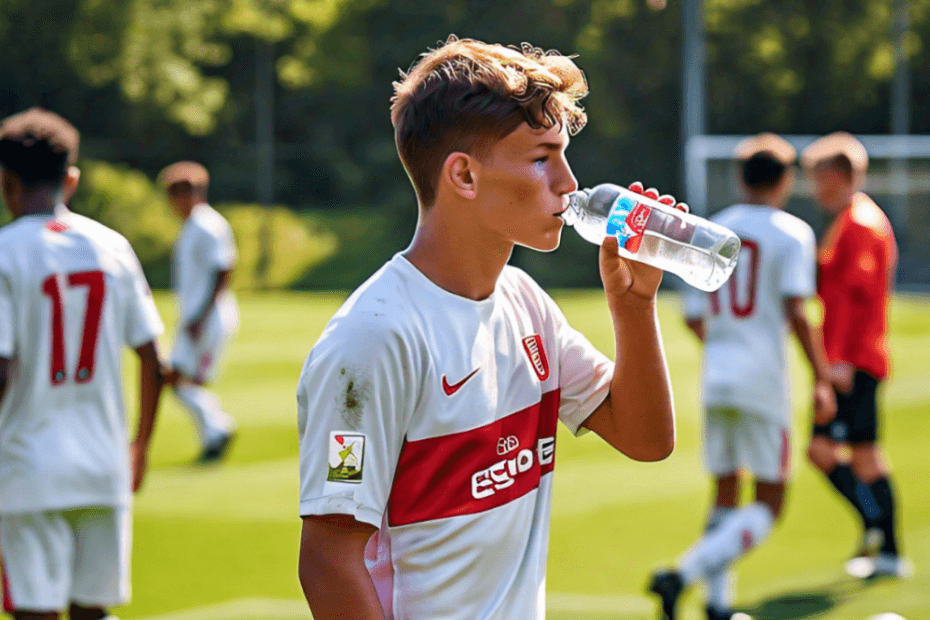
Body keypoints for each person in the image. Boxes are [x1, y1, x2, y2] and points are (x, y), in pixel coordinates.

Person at [296, 36, 681, 620]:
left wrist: (633, 307)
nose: (569, 182)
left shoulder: (526, 304)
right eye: (541, 157)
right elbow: (328, 561)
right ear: (464, 177)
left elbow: (646, 439)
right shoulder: (373, 340)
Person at [649, 133, 837, 620]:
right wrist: (821, 378)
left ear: (738, 177)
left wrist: (726, 346)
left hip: (718, 376)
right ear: (785, 181)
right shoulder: (793, 232)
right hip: (764, 380)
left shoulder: (712, 229)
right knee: (769, 503)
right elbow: (798, 310)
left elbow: (692, 315)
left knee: (726, 492)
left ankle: (719, 604)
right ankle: (682, 576)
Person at [0, 108, 165, 620]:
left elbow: (1, 370)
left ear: (5, 181)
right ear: (71, 179)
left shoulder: (5, 253)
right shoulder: (111, 246)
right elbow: (152, 355)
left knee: (34, 609)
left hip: (27, 466)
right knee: (92, 610)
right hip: (102, 462)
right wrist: (139, 444)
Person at [800, 132, 910, 579]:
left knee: (852, 455)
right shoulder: (851, 220)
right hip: (852, 358)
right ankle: (878, 534)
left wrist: (837, 362)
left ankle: (888, 546)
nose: (815, 187)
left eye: (820, 176)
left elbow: (851, 298)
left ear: (841, 175)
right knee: (831, 452)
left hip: (854, 361)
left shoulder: (861, 224)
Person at [158, 161, 238, 464]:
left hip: (207, 318)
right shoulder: (192, 226)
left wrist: (201, 317)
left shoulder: (208, 225)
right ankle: (214, 434)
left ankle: (219, 430)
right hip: (194, 317)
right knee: (180, 380)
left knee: (181, 380)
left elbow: (223, 269)